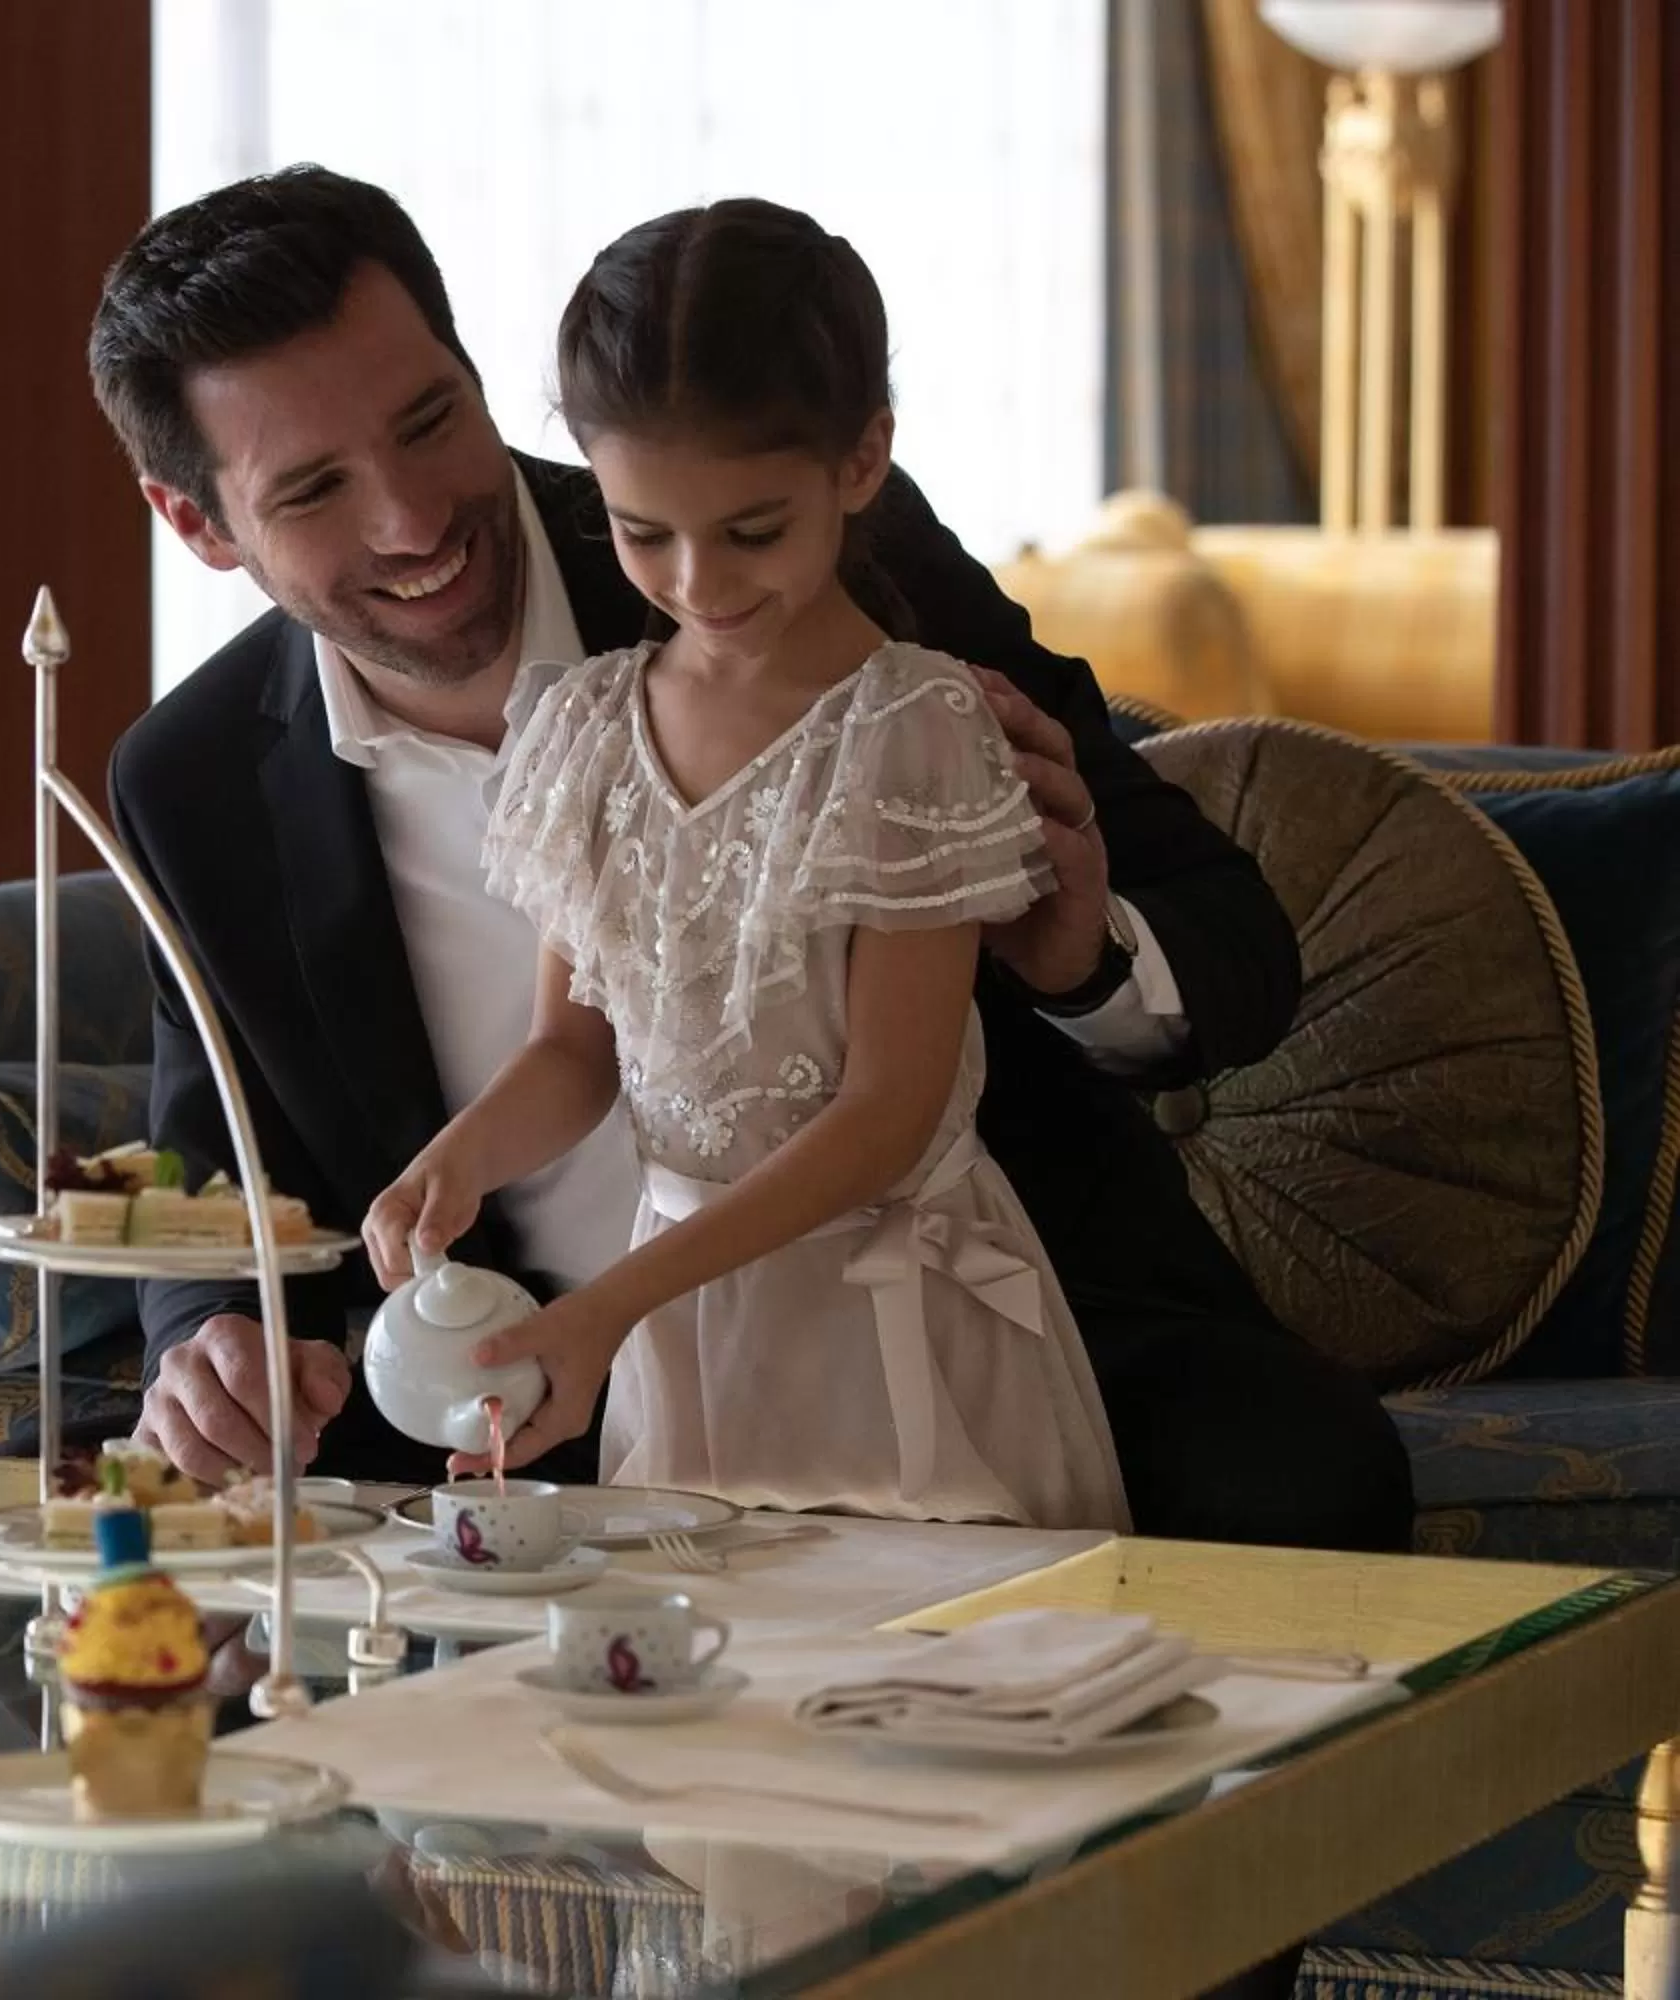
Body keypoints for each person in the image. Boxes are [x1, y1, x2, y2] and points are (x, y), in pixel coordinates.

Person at [87, 165, 1413, 1551]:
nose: (413, 520)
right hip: (527, 1398)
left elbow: (1230, 939)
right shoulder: (190, 781)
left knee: (1305, 1477)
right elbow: (216, 1152)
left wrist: (1076, 957)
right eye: (312, 488)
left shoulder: (807, 530)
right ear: (198, 523)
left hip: (960, 1313)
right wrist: (213, 1336)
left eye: (432, 421)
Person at [364, 198, 1125, 1528]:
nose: (699, 580)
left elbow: (888, 1118)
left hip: (892, 1332)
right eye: (643, 531)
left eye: (751, 530)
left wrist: (610, 1306)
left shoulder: (916, 728)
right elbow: (575, 1053)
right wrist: (463, 1157)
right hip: (679, 1321)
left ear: (863, 460)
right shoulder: (590, 727)